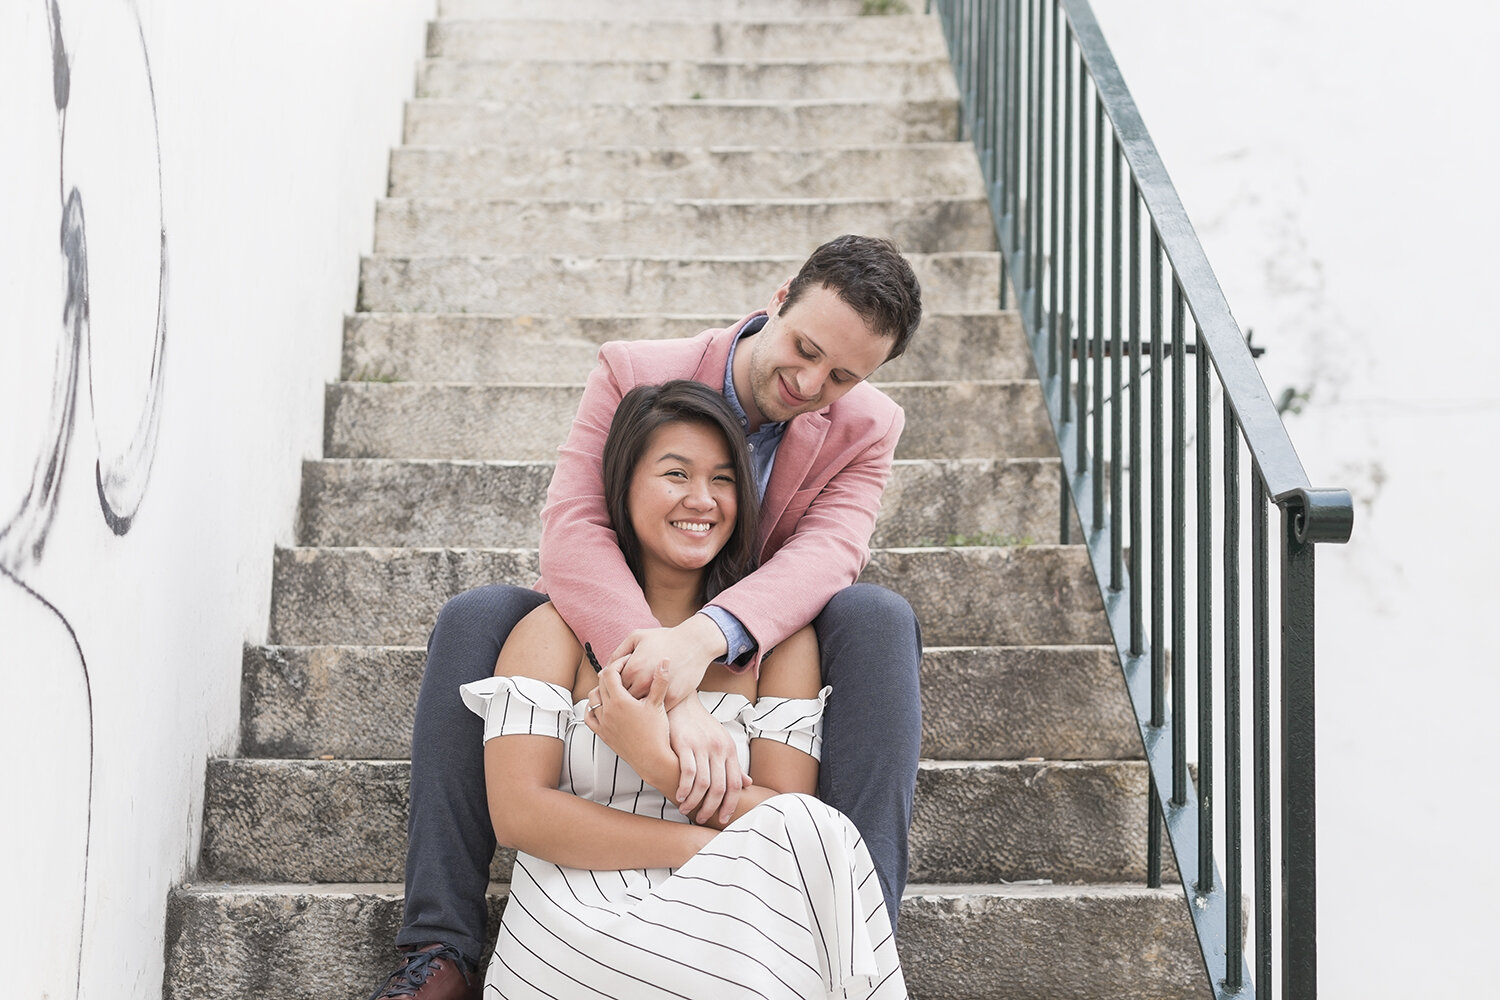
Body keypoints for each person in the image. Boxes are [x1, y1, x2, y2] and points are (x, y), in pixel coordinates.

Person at [368, 235, 923, 1000]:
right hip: (617, 604)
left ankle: (856, 935)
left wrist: (702, 642)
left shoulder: (870, 426)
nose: (808, 381)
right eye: (803, 348)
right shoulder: (633, 370)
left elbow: (826, 557)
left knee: (877, 619)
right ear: (782, 296)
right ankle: (441, 948)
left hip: (749, 628)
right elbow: (573, 532)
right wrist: (670, 691)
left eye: (841, 377)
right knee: (478, 615)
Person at [458, 380, 906, 997]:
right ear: (625, 485)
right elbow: (517, 813)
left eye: (723, 480)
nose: (702, 500)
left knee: (814, 827)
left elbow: (784, 815)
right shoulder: (552, 631)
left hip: (735, 908)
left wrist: (658, 763)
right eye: (676, 474)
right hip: (578, 910)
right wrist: (697, 846)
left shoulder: (779, 644)